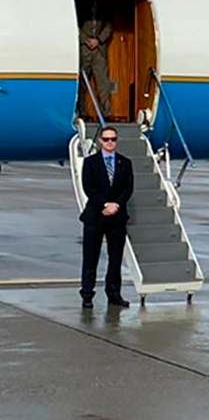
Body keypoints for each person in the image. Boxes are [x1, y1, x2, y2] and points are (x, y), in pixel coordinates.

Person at [79, 127, 134, 309]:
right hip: (96, 216)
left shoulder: (125, 163)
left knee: (115, 259)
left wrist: (116, 205)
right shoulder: (90, 162)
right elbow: (89, 188)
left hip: (117, 217)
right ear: (100, 141)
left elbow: (128, 188)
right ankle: (87, 295)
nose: (110, 142)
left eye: (113, 139)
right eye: (106, 139)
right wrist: (105, 205)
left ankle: (114, 294)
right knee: (90, 258)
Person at [79, 1, 113, 119]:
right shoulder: (80, 6)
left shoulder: (104, 8)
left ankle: (106, 113)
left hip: (99, 50)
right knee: (82, 83)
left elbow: (109, 26)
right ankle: (82, 113)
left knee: (103, 83)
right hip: (85, 49)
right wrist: (86, 40)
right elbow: (76, 25)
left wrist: (98, 40)